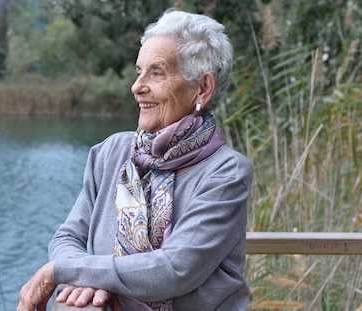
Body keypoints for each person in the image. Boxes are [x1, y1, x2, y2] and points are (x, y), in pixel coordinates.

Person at [17, 8, 253, 311]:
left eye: (156, 73)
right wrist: (90, 279)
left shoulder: (226, 172)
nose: (137, 86)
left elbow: (174, 270)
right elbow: (68, 236)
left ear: (203, 88)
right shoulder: (111, 153)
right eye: (138, 71)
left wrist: (64, 271)